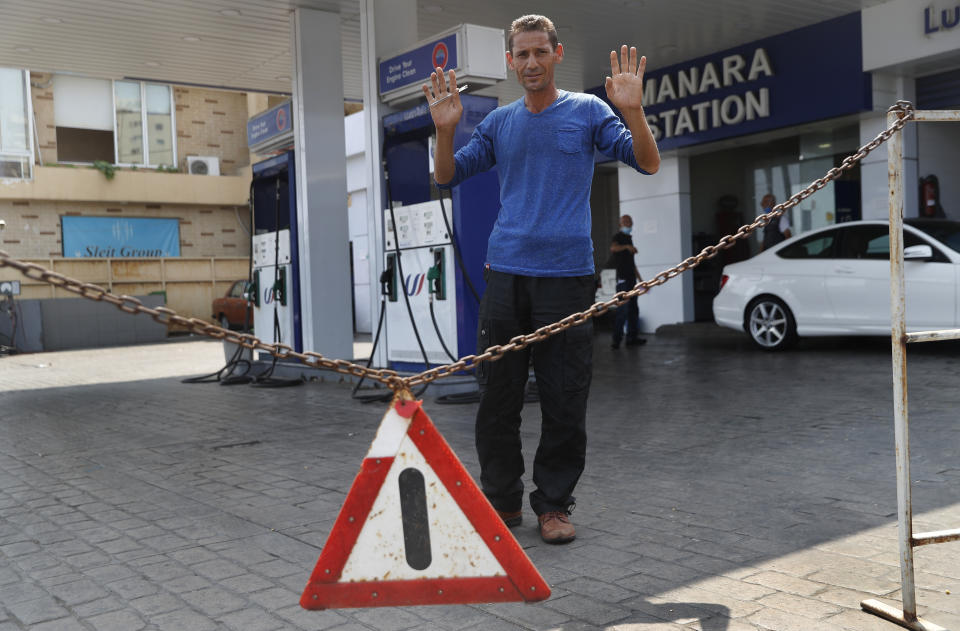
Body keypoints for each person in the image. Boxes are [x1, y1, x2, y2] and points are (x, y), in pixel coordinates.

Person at [422, 14, 660, 544]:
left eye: (539, 53)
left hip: (567, 279)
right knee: (497, 399)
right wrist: (444, 131)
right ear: (510, 62)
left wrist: (634, 111)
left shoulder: (588, 111)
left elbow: (647, 163)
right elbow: (447, 175)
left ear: (556, 53)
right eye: (521, 55)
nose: (531, 63)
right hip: (505, 276)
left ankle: (553, 505)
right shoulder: (500, 123)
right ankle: (502, 504)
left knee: (564, 398)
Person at [609, 214, 646, 349]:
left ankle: (632, 337)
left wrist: (640, 279)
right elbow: (613, 248)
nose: (628, 224)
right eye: (625, 222)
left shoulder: (629, 238)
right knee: (622, 309)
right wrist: (626, 247)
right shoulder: (618, 237)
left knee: (633, 309)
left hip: (632, 279)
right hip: (622, 280)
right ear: (620, 224)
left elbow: (632, 263)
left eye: (630, 221)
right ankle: (616, 339)